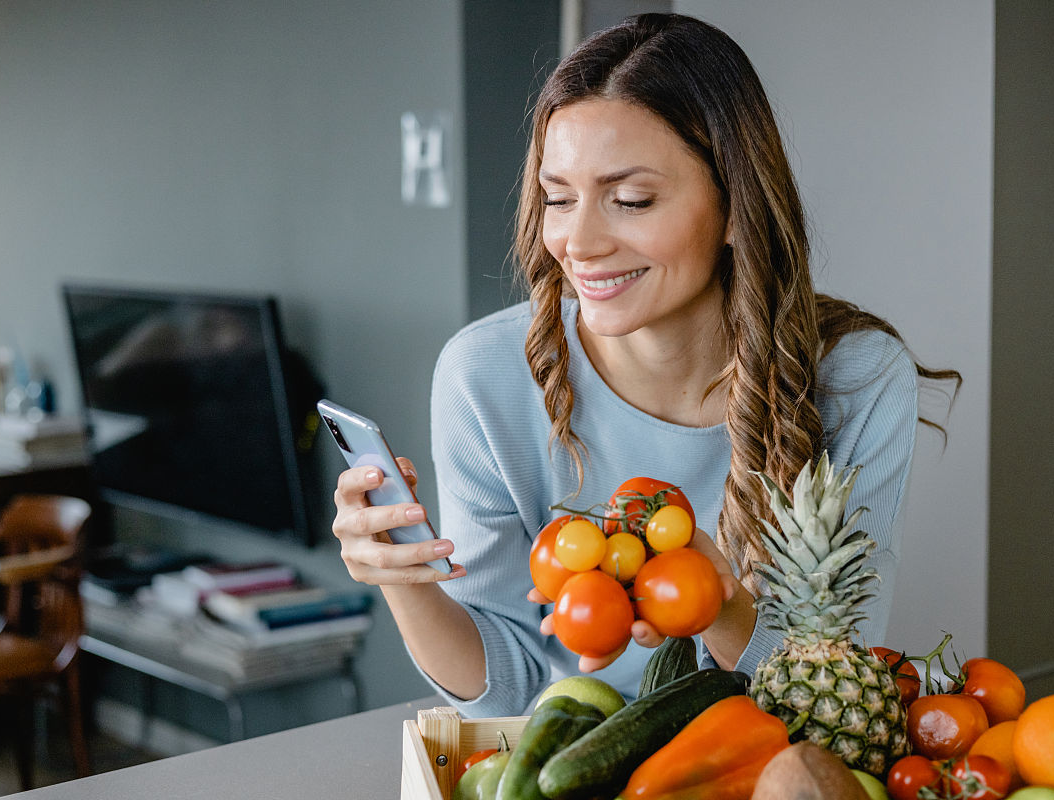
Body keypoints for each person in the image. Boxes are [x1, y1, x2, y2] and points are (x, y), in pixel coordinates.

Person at [331, 12, 959, 718]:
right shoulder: (484, 377)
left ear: (733, 208)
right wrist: (405, 580)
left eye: (631, 200)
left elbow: (834, 685)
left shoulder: (860, 380)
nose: (578, 241)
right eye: (558, 198)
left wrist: (716, 599)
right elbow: (505, 689)